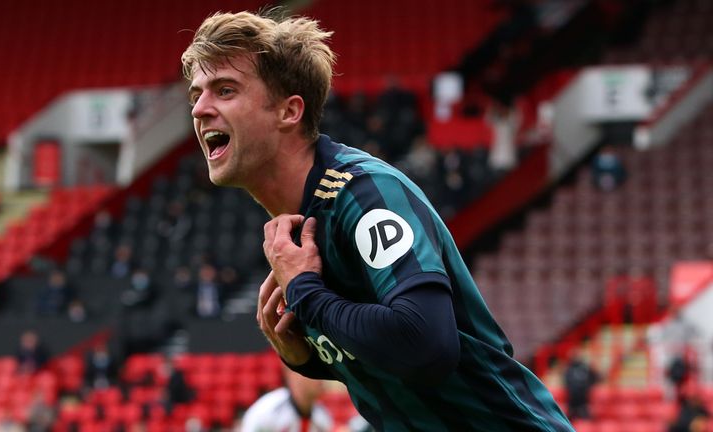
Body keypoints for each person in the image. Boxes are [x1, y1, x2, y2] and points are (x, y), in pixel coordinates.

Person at [181, 10, 573, 431]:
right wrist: (306, 357)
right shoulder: (298, 227)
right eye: (196, 94)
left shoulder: (363, 195)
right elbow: (383, 362)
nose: (200, 109)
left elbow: (425, 346)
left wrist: (307, 295)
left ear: (289, 111)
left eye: (225, 90)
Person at [240, 367, 332, 432]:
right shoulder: (267, 412)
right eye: (315, 373)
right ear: (294, 374)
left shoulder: (323, 417)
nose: (321, 379)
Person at [563, 349, 600, 420]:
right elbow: (566, 382)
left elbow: (595, 378)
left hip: (584, 401)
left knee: (586, 421)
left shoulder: (586, 368)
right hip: (572, 401)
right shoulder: (569, 369)